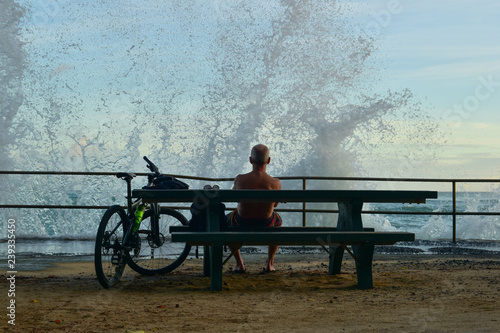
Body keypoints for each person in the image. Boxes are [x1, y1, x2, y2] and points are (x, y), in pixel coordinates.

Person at [226, 144, 282, 273]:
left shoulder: (240, 179)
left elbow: (234, 199)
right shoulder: (275, 183)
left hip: (241, 223)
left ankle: (239, 264)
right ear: (268, 160)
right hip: (266, 224)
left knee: (225, 222)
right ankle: (270, 263)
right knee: (278, 220)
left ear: (251, 160)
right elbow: (275, 205)